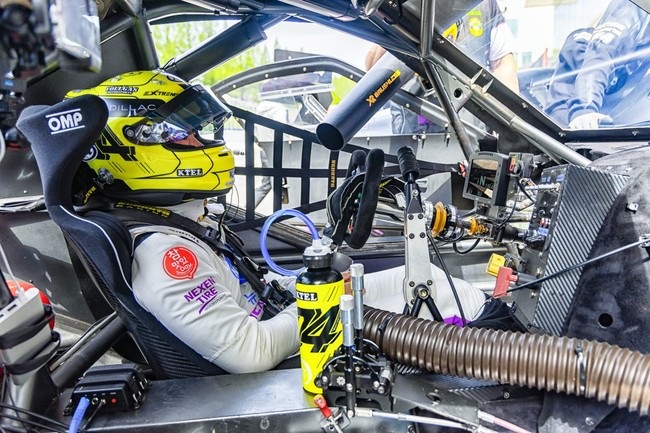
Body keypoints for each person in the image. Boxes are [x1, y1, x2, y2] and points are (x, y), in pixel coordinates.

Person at [69, 70, 499, 374]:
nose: (204, 142)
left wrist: (311, 285)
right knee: (443, 295)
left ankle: (495, 347)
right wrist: (321, 297)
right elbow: (249, 351)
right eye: (187, 133)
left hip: (284, 325)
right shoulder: (165, 255)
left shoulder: (178, 224)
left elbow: (251, 292)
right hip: (283, 366)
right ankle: (502, 366)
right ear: (135, 145)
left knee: (428, 282)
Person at [366, 0, 519, 134]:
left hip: (473, 132)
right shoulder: (397, 3)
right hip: (414, 133)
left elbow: (503, 64)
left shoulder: (485, 4)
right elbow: (373, 67)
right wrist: (396, 22)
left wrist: (510, 125)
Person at [544, 0, 650, 129]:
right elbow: (602, 54)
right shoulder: (634, 8)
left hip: (620, 121)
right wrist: (585, 108)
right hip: (568, 122)